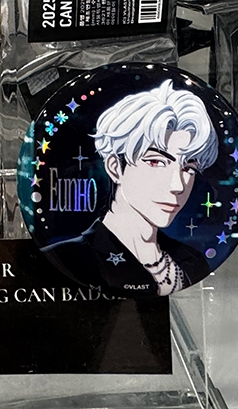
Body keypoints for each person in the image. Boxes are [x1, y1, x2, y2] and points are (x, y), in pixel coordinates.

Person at [44, 79, 217, 295]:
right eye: (156, 162)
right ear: (115, 167)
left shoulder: (192, 261)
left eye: (188, 168)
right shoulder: (69, 258)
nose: (177, 185)